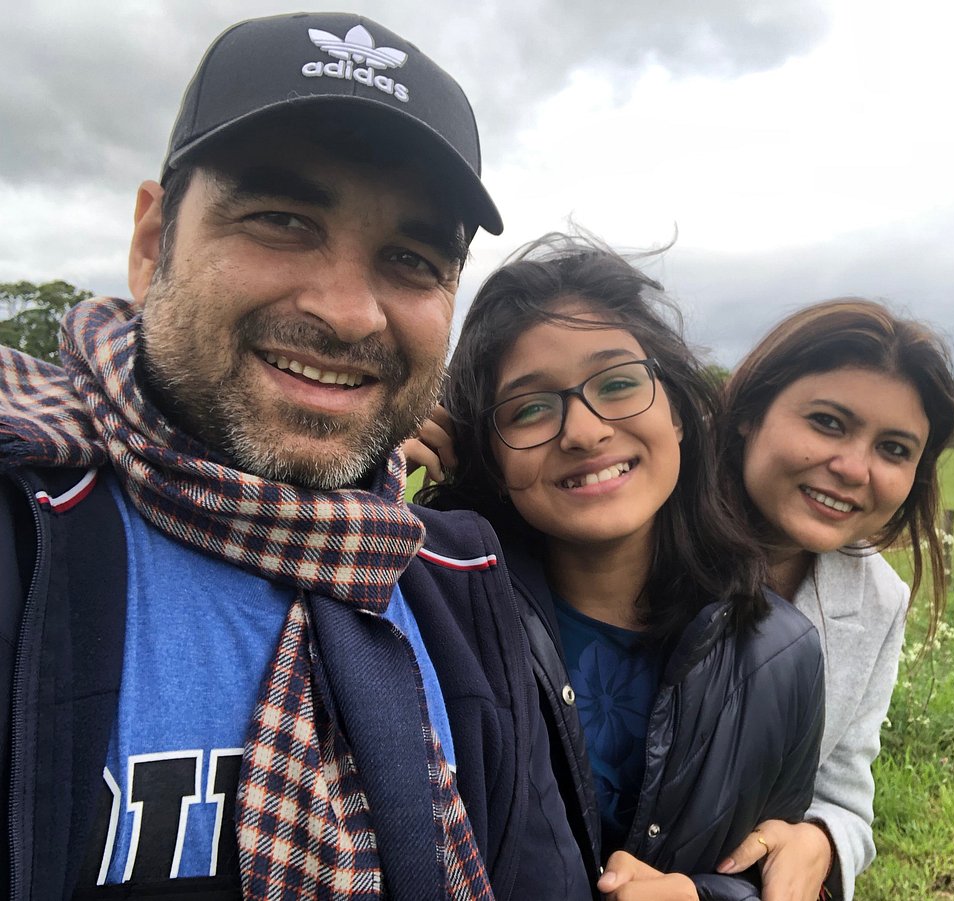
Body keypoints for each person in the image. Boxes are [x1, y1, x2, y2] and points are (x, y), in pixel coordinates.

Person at [0, 13, 590, 900]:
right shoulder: (26, 532)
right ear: (153, 242)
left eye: (411, 257)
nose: (351, 312)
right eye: (282, 219)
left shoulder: (459, 586)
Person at [415, 234, 827, 901]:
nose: (582, 429)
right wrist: (364, 474)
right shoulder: (438, 620)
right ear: (487, 453)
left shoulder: (782, 655)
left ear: (681, 413)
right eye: (529, 408)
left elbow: (776, 870)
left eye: (618, 383)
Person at [712, 299, 954, 899]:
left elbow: (845, 794)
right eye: (828, 422)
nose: (855, 468)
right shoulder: (640, 534)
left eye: (895, 449)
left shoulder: (879, 600)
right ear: (750, 412)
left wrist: (821, 841)